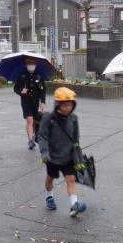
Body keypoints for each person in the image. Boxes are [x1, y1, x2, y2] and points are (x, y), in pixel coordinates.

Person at [38, 87, 88, 217]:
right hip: (52, 156)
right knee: (50, 178)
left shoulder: (73, 118)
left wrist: (78, 156)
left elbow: (76, 139)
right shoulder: (49, 118)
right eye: (65, 105)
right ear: (58, 104)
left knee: (71, 179)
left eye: (70, 105)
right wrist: (44, 153)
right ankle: (49, 197)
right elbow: (42, 136)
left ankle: (74, 205)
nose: (68, 108)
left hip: (68, 156)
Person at [13, 57, 46, 149]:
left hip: (35, 101)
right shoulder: (22, 75)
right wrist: (21, 91)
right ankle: (30, 140)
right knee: (29, 120)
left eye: (32, 64)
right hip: (26, 101)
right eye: (29, 64)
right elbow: (15, 88)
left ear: (35, 65)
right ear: (26, 65)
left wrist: (43, 102)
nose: (31, 65)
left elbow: (43, 90)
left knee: (34, 120)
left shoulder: (38, 76)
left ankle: (33, 135)